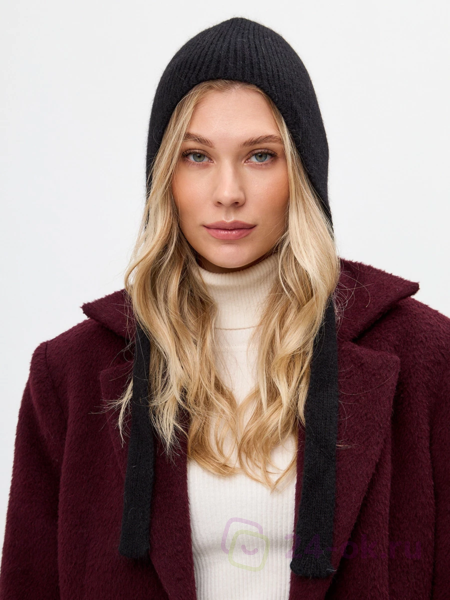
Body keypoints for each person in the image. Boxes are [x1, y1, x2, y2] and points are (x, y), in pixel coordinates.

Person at [0, 16, 449, 600]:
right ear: (163, 175)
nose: (228, 192)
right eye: (196, 156)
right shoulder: (68, 375)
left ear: (303, 171)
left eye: (260, 156)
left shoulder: (425, 358)